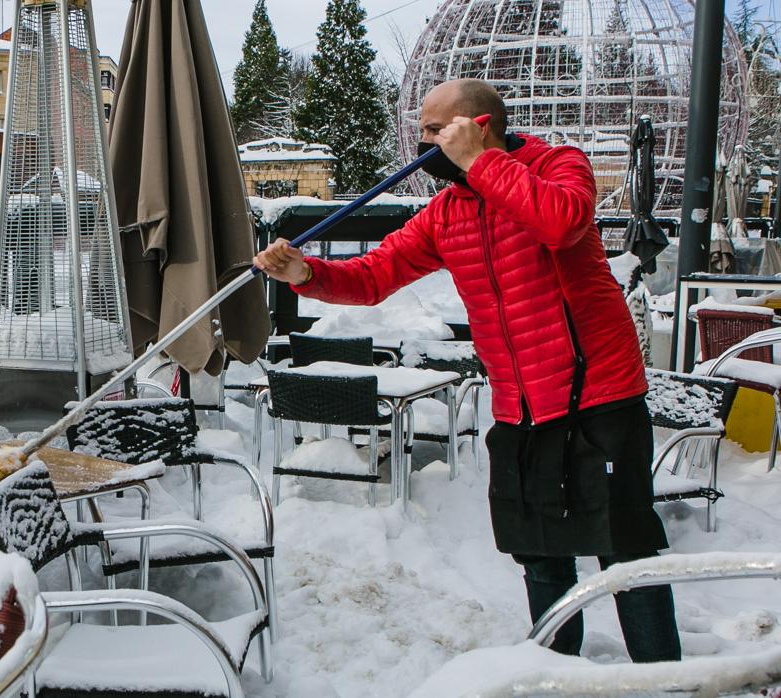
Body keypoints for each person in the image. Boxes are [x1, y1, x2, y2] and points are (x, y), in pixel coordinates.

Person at [254, 78, 680, 662]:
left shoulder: (558, 165)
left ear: (478, 127)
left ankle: (666, 680)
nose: (422, 144)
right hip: (521, 408)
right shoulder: (448, 212)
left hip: (599, 396)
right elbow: (377, 275)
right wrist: (306, 275)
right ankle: (557, 672)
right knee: (542, 556)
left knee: (625, 551)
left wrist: (481, 163)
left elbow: (562, 223)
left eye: (435, 130)